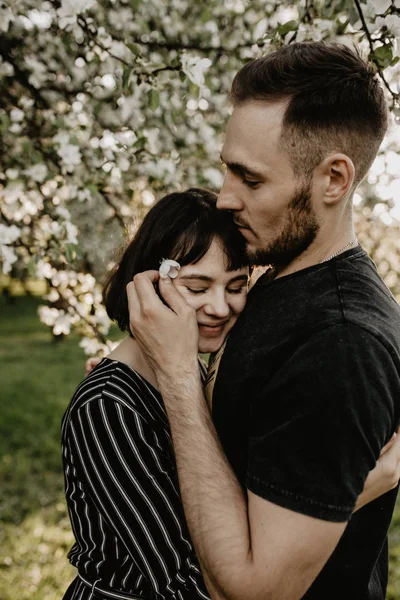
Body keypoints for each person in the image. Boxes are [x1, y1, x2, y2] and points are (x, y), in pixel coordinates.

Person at [127, 42, 400, 600]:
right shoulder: (273, 277)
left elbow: (255, 591)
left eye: (250, 180)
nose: (225, 198)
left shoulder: (339, 343)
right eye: (227, 170)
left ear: (333, 180)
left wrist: (178, 374)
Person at [61, 188, 249, 600]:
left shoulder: (193, 369)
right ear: (146, 284)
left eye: (235, 286)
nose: (220, 307)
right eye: (197, 288)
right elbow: (183, 584)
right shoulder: (109, 408)